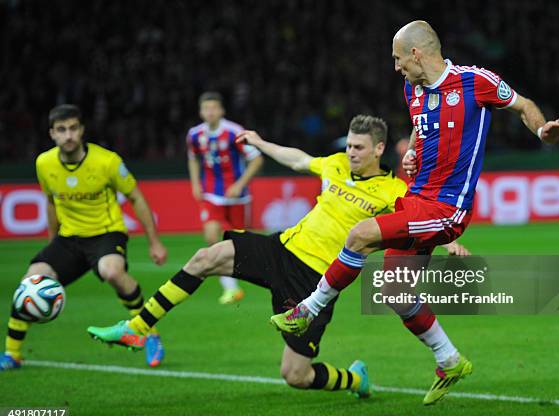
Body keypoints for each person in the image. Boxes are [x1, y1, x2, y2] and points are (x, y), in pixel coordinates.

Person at [270, 20, 559, 405]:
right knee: (396, 291)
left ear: (416, 53)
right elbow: (419, 126)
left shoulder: (474, 81)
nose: (396, 68)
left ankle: (307, 310)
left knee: (360, 235)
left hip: (446, 207)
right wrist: (412, 150)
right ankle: (449, 360)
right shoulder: (412, 88)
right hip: (415, 200)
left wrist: (542, 130)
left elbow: (523, 105)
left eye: (398, 59)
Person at [87, 114, 470, 398]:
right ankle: (137, 327)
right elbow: (298, 159)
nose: (350, 152)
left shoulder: (392, 193)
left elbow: (418, 222)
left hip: (314, 282)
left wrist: (449, 241)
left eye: (358, 147)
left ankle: (355, 379)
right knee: (206, 257)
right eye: (349, 145)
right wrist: (260, 142)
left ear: (379, 149)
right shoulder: (334, 165)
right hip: (280, 247)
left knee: (295, 375)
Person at [0, 104, 168, 371]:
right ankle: (12, 353)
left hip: (106, 233)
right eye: (61, 130)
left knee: (111, 271)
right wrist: (52, 241)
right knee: (30, 279)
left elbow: (136, 197)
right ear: (52, 134)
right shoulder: (44, 163)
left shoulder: (107, 161)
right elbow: (50, 202)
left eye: (73, 128)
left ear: (82, 130)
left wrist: (154, 241)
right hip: (69, 239)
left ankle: (151, 334)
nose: (68, 135)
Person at [187, 92, 263, 305]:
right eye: (206, 109)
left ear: (221, 111)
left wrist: (239, 185)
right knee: (212, 236)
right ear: (201, 112)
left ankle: (254, 277)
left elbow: (256, 159)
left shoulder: (234, 132)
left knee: (238, 245)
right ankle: (231, 288)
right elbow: (193, 158)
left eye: (214, 108)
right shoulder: (194, 135)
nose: (210, 112)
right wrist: (195, 183)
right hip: (212, 194)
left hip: (237, 197)